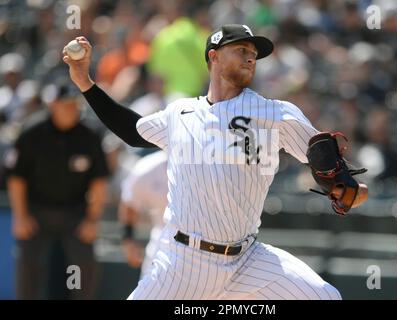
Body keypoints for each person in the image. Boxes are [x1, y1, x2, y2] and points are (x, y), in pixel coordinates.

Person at [63, 24, 365, 300]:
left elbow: (326, 162)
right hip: (183, 261)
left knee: (325, 298)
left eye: (254, 54)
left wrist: (349, 188)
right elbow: (132, 130)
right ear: (214, 56)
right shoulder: (179, 114)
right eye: (242, 50)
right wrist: (85, 82)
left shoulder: (275, 114)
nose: (250, 58)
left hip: (247, 259)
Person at [5, 82, 109, 299]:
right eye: (66, 104)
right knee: (28, 264)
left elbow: (99, 183)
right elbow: (17, 179)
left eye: (74, 105)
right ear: (52, 105)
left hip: (75, 213)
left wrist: (92, 219)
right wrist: (20, 216)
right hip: (37, 211)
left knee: (81, 266)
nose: (72, 109)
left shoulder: (89, 135)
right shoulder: (32, 132)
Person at [119, 150, 168, 278]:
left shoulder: (210, 163)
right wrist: (128, 240)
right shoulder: (147, 167)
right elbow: (129, 204)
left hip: (208, 244)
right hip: (163, 241)